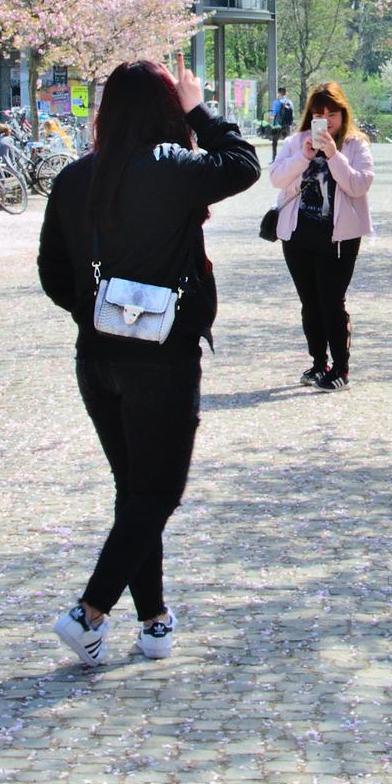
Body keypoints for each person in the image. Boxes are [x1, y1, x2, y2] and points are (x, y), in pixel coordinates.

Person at [36, 62, 260, 667]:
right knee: (156, 493)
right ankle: (88, 613)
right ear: (165, 111)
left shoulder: (75, 177)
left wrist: (98, 310)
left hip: (97, 355)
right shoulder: (172, 168)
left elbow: (52, 273)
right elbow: (243, 164)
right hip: (162, 358)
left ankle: (154, 620)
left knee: (135, 493)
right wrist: (198, 109)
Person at [267, 82, 376, 392]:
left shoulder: (355, 145)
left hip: (339, 238)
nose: (326, 121)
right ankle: (318, 363)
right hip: (298, 235)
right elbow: (276, 178)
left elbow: (358, 185)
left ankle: (341, 367)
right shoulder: (295, 142)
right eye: (319, 115)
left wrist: (332, 154)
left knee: (331, 301)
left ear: (343, 113)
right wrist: (302, 157)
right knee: (309, 302)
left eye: (332, 114)